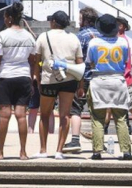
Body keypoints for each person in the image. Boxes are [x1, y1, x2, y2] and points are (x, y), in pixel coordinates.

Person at [0, 2, 36, 160]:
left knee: (4, 115)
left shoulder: (2, 36)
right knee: (21, 116)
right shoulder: (29, 36)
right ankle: (23, 152)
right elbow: (33, 60)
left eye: (4, 17)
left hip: (5, 77)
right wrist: (32, 79)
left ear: (9, 18)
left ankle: (0, 152)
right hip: (23, 77)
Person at [33, 10, 82, 160]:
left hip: (49, 79)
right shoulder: (74, 38)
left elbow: (37, 60)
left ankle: (43, 150)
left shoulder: (44, 36)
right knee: (65, 115)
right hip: (69, 79)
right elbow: (80, 63)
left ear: (54, 22)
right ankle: (59, 150)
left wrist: (36, 77)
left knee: (45, 115)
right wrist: (81, 85)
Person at [85, 14, 132, 160]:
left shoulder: (94, 43)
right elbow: (125, 61)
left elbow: (90, 62)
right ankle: (126, 151)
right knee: (121, 118)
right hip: (117, 79)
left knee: (97, 118)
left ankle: (97, 150)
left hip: (99, 79)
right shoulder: (123, 43)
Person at [64, 7, 100, 153]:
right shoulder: (102, 35)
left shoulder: (80, 36)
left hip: (83, 77)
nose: (79, 20)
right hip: (99, 77)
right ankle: (99, 141)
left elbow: (76, 58)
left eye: (80, 18)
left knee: (76, 109)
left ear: (85, 19)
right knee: (97, 111)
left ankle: (75, 140)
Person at [114, 16, 132, 144]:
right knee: (108, 108)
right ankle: (98, 131)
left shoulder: (120, 41)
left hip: (124, 80)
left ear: (121, 26)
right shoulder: (122, 40)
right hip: (122, 79)